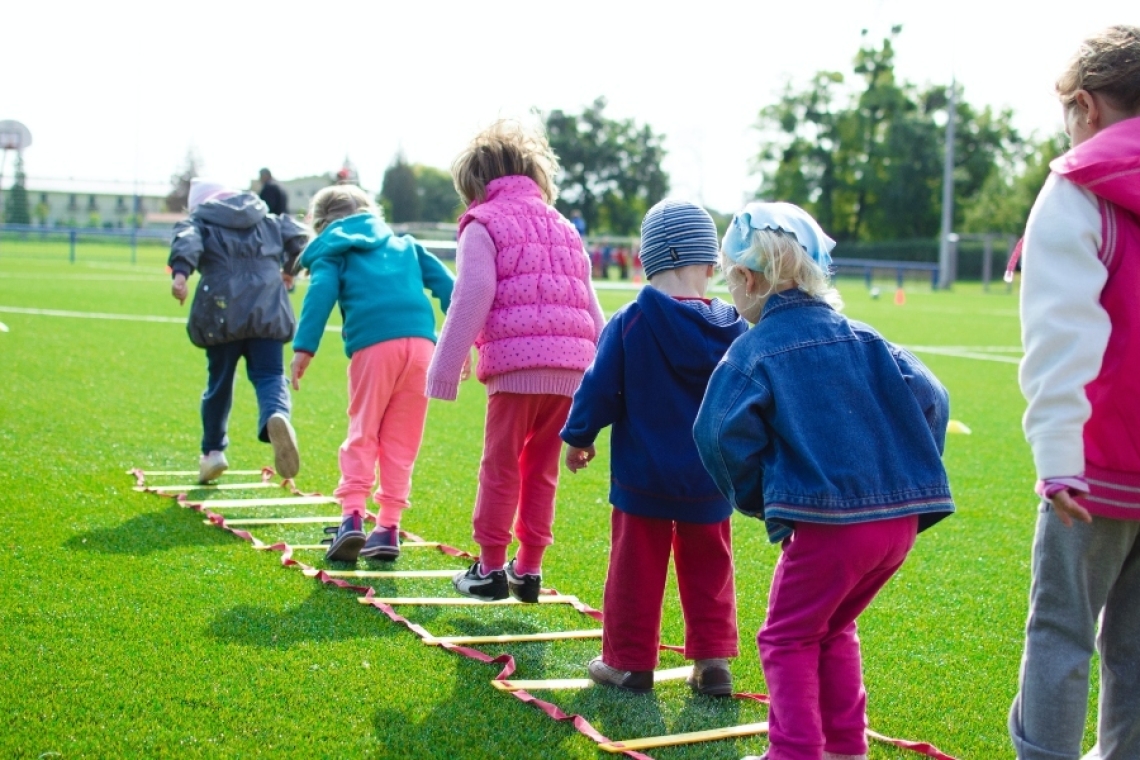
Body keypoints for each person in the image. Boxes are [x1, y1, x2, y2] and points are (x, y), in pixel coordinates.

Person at [693, 202, 954, 760]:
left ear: (746, 278)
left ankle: (794, 751)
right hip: (897, 528)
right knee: (833, 627)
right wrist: (908, 475)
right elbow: (934, 397)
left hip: (831, 528)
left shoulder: (753, 350)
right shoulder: (866, 337)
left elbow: (716, 434)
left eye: (728, 279)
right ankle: (844, 747)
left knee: (785, 637)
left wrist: (764, 499)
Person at [1008, 25, 1140, 760]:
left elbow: (1062, 338)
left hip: (1094, 467)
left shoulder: (1076, 188)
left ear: (1085, 106)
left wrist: (1059, 458)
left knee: (1061, 630)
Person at [561, 200, 747, 696]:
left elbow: (599, 387)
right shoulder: (736, 328)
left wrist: (579, 437)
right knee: (711, 567)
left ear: (646, 261)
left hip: (642, 477)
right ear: (711, 265)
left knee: (634, 569)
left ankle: (629, 662)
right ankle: (713, 663)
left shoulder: (631, 321)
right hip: (711, 478)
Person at [426, 119, 604, 602]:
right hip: (572, 371)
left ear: (475, 185)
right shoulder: (564, 226)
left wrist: (445, 367)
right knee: (541, 469)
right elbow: (590, 304)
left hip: (516, 368)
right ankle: (528, 569)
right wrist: (605, 379)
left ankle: (487, 569)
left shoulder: (482, 223)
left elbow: (474, 292)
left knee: (500, 466)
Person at [290, 185, 455, 563]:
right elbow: (451, 288)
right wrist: (464, 339)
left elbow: (321, 292)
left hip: (374, 346)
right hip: (422, 348)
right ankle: (388, 528)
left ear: (320, 223)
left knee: (363, 430)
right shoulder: (406, 245)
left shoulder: (335, 250)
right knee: (402, 440)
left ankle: (351, 518)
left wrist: (304, 347)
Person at [168, 178, 308, 484]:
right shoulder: (266, 218)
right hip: (269, 308)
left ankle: (213, 452)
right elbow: (299, 238)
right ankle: (276, 414)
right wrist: (289, 269)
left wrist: (180, 274)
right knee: (270, 374)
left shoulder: (201, 221)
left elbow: (187, 240)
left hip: (221, 311)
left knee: (219, 382)